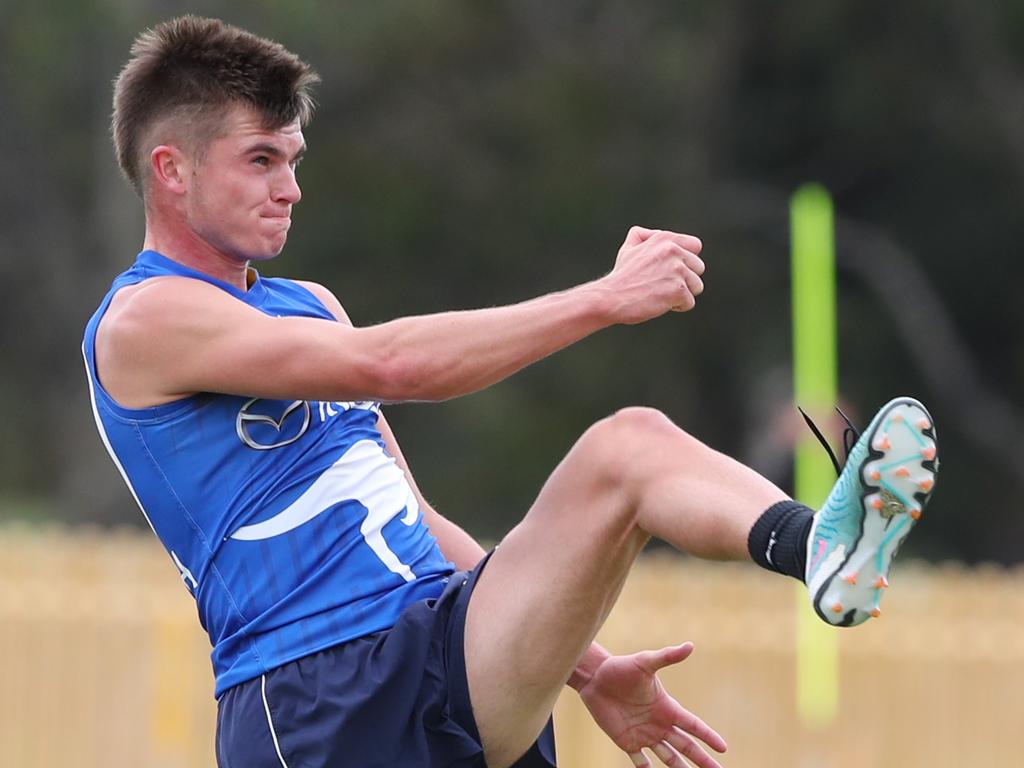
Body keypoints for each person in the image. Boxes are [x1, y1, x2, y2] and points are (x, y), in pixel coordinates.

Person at [83, 16, 939, 768]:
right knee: (619, 451)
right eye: (261, 160)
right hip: (313, 692)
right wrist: (602, 299)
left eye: (294, 159)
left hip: (437, 636)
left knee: (629, 448)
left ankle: (820, 549)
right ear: (172, 170)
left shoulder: (306, 308)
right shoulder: (144, 320)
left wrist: (592, 669)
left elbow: (414, 519)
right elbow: (393, 367)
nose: (291, 188)